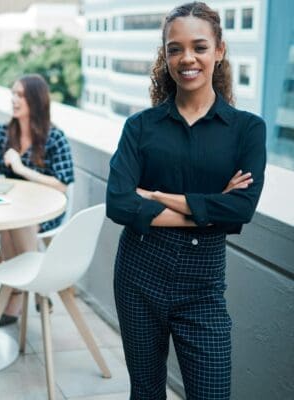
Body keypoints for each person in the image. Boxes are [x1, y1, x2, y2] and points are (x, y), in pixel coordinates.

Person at [106, 2, 266, 399]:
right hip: (138, 275)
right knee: (146, 392)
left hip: (203, 285)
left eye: (199, 46)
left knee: (211, 392)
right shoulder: (140, 127)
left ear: (220, 51)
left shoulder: (247, 130)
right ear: (165, 56)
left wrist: (160, 197)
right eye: (175, 48)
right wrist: (207, 210)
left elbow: (241, 209)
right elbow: (119, 204)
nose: (187, 58)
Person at [0, 74, 74, 326]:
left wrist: (22, 169)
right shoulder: (3, 131)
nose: (14, 100)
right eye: (13, 94)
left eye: (20, 95)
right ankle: (34, 288)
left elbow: (62, 184)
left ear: (35, 100)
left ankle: (20, 290)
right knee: (12, 224)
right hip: (11, 208)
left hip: (46, 211)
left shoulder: (54, 137)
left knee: (16, 225)